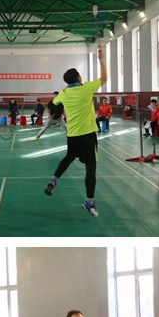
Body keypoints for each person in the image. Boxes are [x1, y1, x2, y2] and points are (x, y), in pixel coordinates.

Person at [44, 48, 108, 217]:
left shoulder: (64, 93)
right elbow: (104, 78)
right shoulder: (86, 88)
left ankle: (54, 179)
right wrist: (101, 59)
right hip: (88, 134)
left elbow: (52, 104)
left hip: (72, 134)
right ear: (79, 77)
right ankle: (89, 202)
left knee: (69, 157)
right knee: (90, 167)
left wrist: (62, 110)